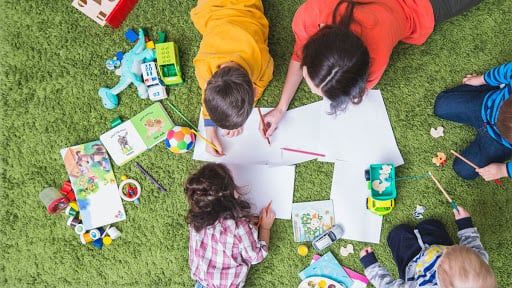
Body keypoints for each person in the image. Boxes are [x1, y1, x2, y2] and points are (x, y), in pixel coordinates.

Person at [260, 0, 482, 138]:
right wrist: (280, 108)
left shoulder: (373, 65)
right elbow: (300, 55)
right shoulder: (313, 13)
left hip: (424, 7)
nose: (312, 91)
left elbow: (300, 54)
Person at [191, 0, 274, 157]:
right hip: (213, 8)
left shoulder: (262, 61)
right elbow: (207, 93)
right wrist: (209, 128)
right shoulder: (203, 65)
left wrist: (246, 103)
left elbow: (263, 82)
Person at [184, 163, 276, 288]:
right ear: (232, 195)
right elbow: (256, 256)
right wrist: (265, 228)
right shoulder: (239, 227)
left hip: (202, 282)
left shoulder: (197, 220)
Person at [359, 206, 496, 287]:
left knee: (398, 233)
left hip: (412, 264)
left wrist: (371, 265)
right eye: (454, 248)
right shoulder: (478, 262)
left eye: (445, 256)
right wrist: (465, 224)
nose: (448, 250)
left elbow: (387, 286)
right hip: (437, 243)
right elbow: (472, 243)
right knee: (431, 224)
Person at [434, 62, 512, 181]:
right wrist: (481, 80)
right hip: (487, 104)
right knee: (441, 106)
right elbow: (506, 70)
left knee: (464, 170)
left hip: (499, 143)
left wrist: (504, 170)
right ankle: (495, 86)